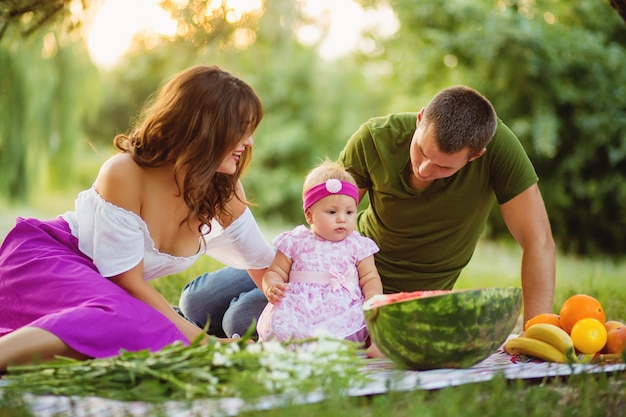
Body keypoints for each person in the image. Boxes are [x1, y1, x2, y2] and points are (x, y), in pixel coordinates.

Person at [179, 85, 556, 339]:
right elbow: (328, 206)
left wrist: (535, 332)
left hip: (386, 291)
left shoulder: (500, 149)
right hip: (331, 258)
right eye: (421, 152)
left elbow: (537, 240)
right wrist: (292, 267)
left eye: (444, 167)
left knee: (240, 319)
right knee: (196, 302)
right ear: (421, 118)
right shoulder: (377, 138)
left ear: (475, 156)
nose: (425, 170)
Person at [0, 65, 275, 372]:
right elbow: (128, 284)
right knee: (137, 323)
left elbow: (263, 265)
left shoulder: (223, 189)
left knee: (148, 333)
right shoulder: (125, 172)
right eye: (241, 128)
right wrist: (205, 344)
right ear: (205, 127)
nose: (249, 141)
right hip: (50, 262)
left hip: (107, 293)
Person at [257, 161, 383, 347]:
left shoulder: (358, 245)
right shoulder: (296, 241)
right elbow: (275, 271)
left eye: (349, 212)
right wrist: (271, 285)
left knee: (350, 327)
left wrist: (373, 301)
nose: (342, 219)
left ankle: (335, 349)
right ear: (309, 216)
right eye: (332, 212)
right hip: (299, 309)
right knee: (282, 324)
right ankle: (295, 349)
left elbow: (370, 278)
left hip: (342, 310)